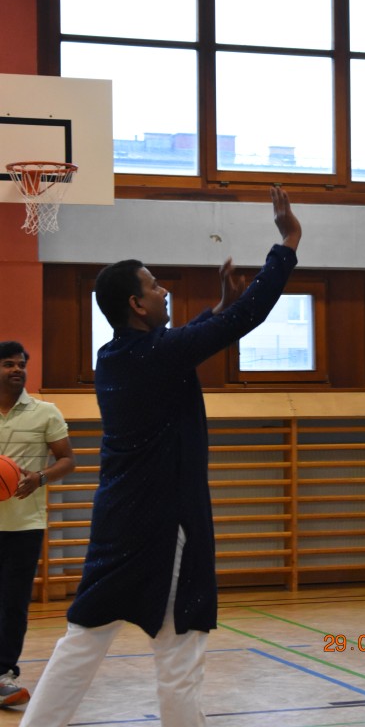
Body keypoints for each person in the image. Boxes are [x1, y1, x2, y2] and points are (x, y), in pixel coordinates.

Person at [20, 185, 302, 727]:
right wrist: (286, 244)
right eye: (154, 285)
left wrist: (220, 306)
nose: (163, 289)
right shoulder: (157, 355)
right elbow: (246, 318)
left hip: (117, 520)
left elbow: (193, 337)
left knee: (85, 635)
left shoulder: (114, 357)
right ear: (136, 303)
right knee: (180, 646)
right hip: (164, 523)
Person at [0, 342, 75, 709]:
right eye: (7, 364)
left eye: (21, 364)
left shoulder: (46, 412)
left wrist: (40, 477)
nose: (17, 369)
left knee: (13, 603)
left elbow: (67, 459)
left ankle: (3, 674)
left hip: (25, 525)